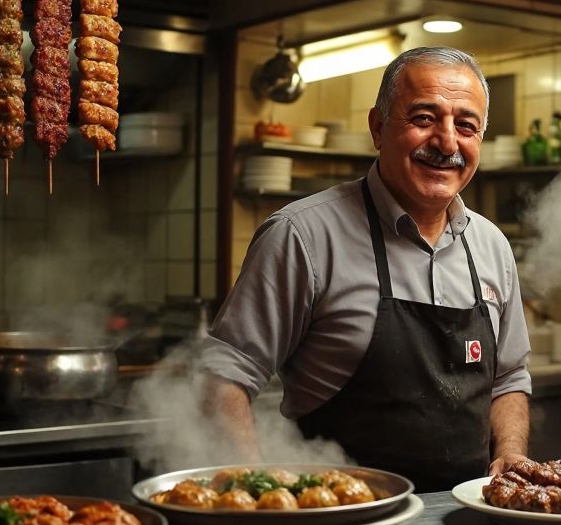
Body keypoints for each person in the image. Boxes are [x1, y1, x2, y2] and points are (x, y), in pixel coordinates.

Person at [200, 47, 532, 491]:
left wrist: (510, 453)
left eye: (466, 126)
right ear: (378, 127)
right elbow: (224, 376)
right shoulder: (303, 235)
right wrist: (255, 494)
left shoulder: (491, 246)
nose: (448, 142)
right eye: (424, 118)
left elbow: (509, 377)